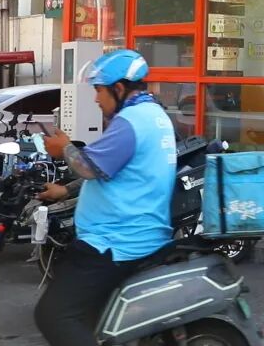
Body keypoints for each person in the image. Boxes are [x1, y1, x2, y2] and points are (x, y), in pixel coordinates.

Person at [34, 49, 177, 346]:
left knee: (54, 315)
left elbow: (88, 167)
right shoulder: (154, 115)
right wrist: (65, 191)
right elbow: (108, 169)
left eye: (99, 90)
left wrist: (64, 149)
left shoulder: (131, 121)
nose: (96, 99)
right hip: (137, 234)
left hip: (115, 242)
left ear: (119, 88)